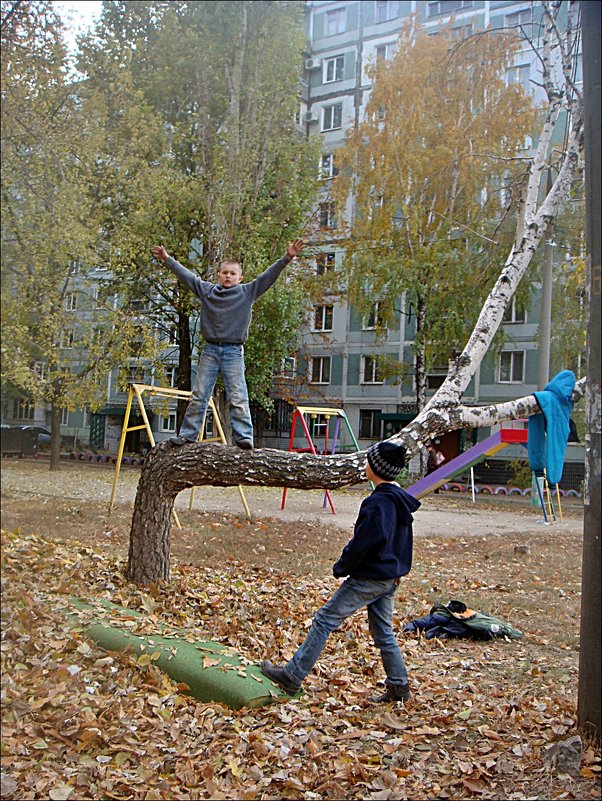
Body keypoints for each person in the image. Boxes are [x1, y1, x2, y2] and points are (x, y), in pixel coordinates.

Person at [260, 440, 421, 703]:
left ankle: (292, 675)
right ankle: (399, 687)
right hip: (390, 578)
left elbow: (364, 544)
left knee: (324, 620)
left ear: (377, 468)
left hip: (371, 578)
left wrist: (343, 566)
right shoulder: (398, 501)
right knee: (383, 632)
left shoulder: (377, 504)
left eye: (370, 460)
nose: (366, 464)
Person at [151, 239, 304, 448]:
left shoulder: (247, 292)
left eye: (232, 273)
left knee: (238, 395)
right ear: (218, 275)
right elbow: (187, 276)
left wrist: (287, 258)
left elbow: (268, 276)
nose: (228, 276)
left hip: (233, 351)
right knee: (199, 395)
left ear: (240, 278)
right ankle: (188, 435)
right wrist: (167, 260)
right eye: (224, 272)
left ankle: (243, 437)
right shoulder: (207, 291)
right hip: (210, 350)